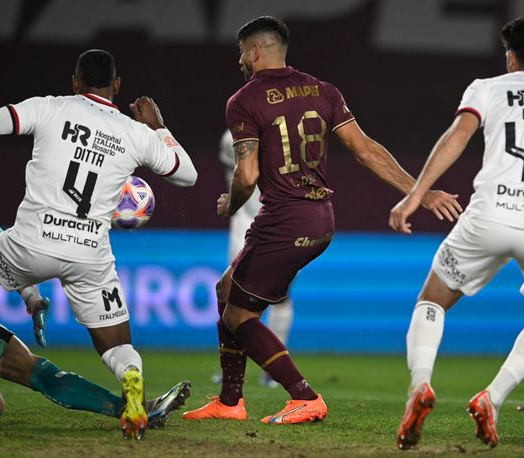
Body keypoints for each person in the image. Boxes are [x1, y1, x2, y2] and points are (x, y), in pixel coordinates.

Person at [183, 16, 461, 425]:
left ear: (255, 51)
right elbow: (366, 150)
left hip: (283, 220)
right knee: (227, 290)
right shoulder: (323, 90)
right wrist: (421, 191)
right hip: (321, 218)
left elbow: (247, 175)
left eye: (242, 52)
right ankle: (229, 401)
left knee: (239, 316)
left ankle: (305, 396)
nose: (240, 60)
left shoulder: (244, 100)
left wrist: (232, 203)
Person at [0, 49, 197, 439]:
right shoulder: (136, 133)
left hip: (33, 242)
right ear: (116, 86)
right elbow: (188, 176)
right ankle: (132, 379)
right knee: (117, 345)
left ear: (75, 82)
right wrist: (159, 128)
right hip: (90, 252)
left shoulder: (48, 108)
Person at [390, 17, 524, 450]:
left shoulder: (486, 88)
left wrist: (415, 196)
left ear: (511, 56)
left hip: (487, 215)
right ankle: (493, 397)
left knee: (433, 299)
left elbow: (457, 136)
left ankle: (420, 387)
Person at [214, 128, 293, 388]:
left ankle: (270, 370)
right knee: (231, 295)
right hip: (246, 224)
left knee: (279, 297)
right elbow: (247, 177)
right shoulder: (232, 138)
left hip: (281, 224)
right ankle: (232, 368)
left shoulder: (284, 132)